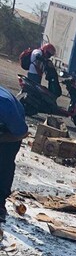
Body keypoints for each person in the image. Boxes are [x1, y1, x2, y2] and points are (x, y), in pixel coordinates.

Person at [0, 85, 29, 230]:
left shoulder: (5, 107)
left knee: (4, 164)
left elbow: (22, 133)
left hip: (11, 132)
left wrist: (2, 138)